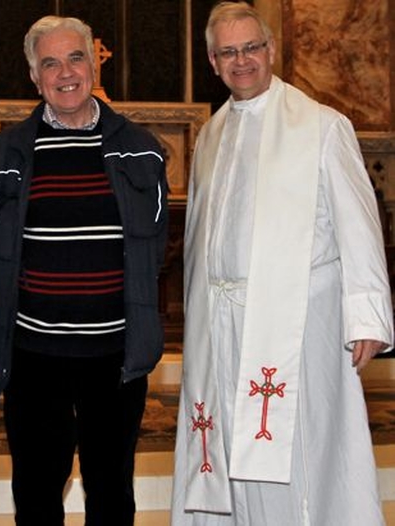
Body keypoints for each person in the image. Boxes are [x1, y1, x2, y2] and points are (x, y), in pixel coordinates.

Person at [171, 2, 393, 525]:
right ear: (212, 60)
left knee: (299, 449)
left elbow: (357, 223)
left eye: (251, 47)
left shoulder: (321, 125)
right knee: (227, 444)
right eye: (228, 51)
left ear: (271, 50)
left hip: (297, 325)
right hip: (222, 326)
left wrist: (366, 316)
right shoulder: (212, 133)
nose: (241, 60)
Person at [0, 15, 168, 526]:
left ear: (95, 63)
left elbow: (156, 246)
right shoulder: (5, 152)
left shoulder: (142, 147)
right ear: (34, 77)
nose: (65, 72)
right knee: (35, 492)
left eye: (76, 57)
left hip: (115, 357)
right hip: (35, 355)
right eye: (49, 63)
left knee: (112, 491)